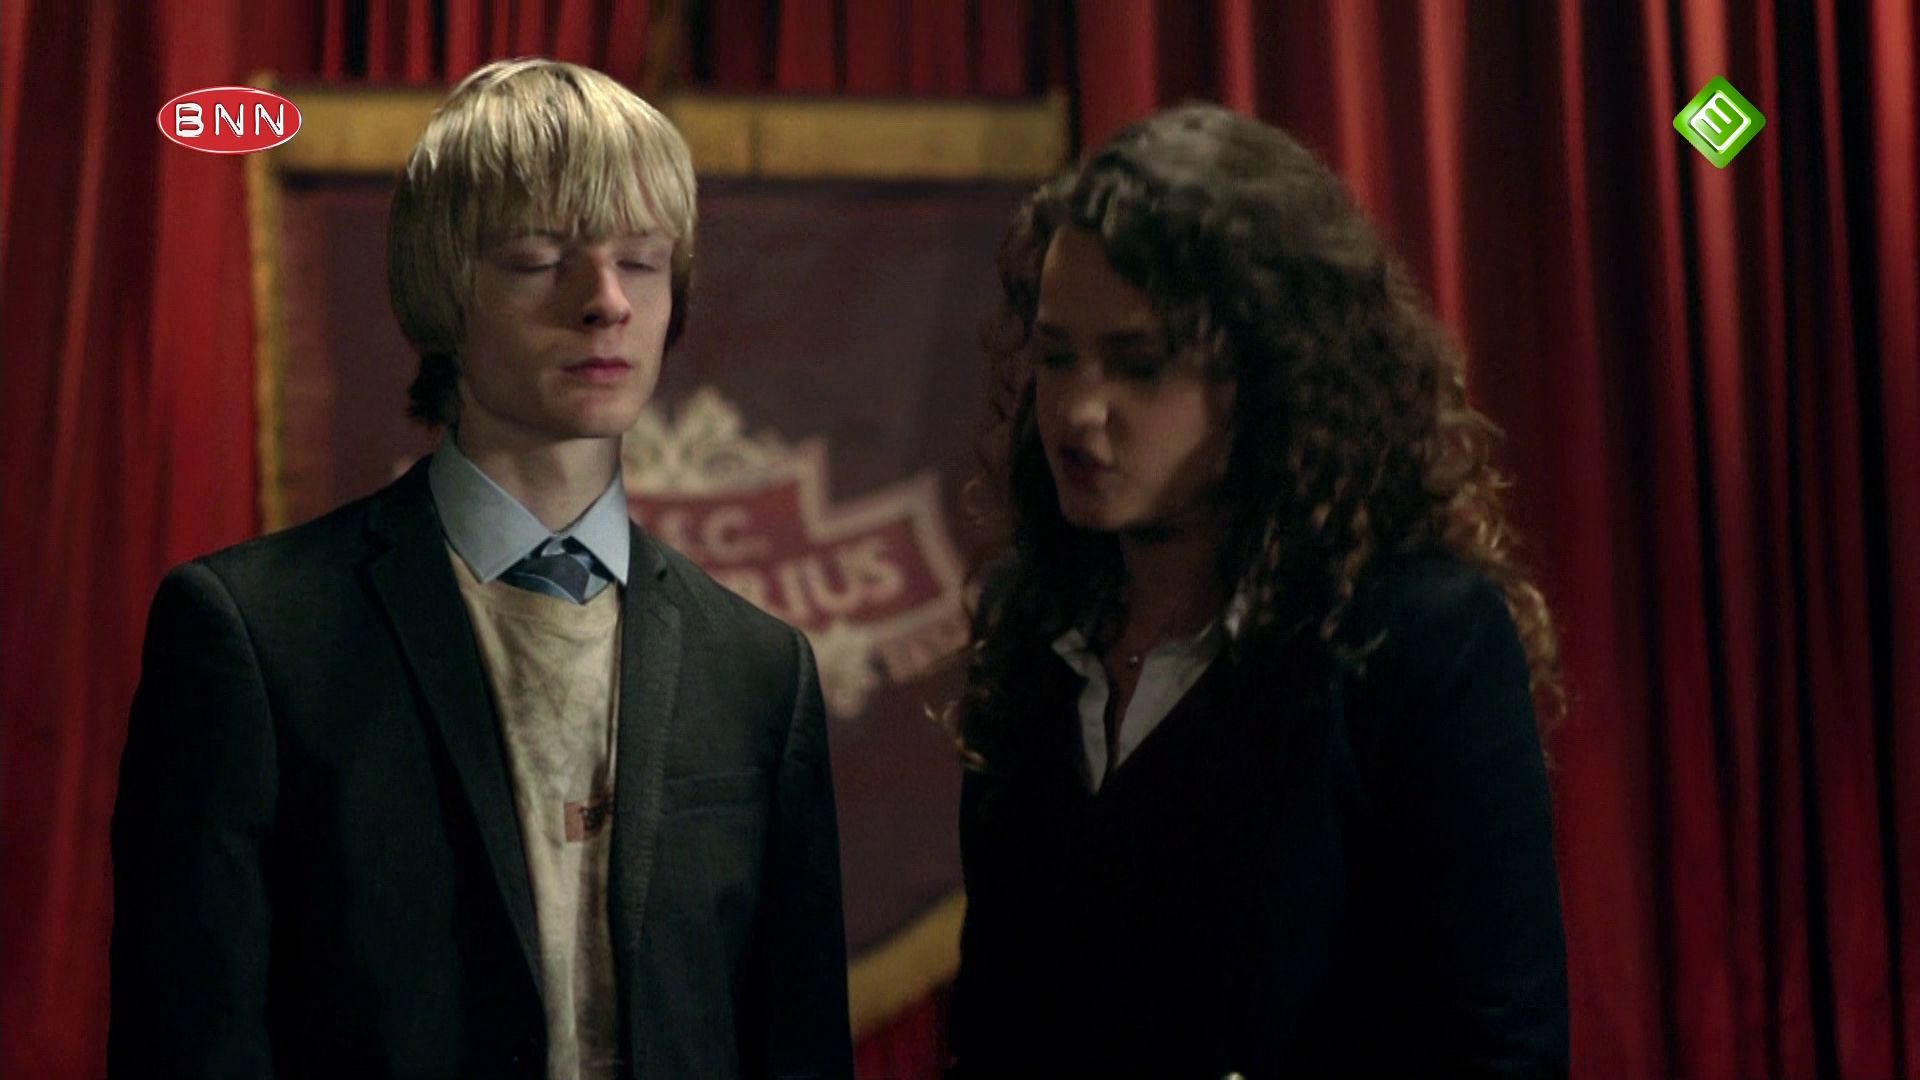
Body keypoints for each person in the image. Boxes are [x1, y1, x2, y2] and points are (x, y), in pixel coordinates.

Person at [110, 58, 852, 1080]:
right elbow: (193, 1040)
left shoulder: (759, 669)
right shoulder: (257, 637)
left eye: (641, 261)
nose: (605, 302)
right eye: (541, 258)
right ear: (443, 291)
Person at [947, 104, 1569, 1077]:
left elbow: (1500, 1052)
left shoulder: (1415, 638)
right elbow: (994, 1026)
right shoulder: (1034, 627)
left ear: (1269, 375)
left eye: (1139, 365)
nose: (1077, 411)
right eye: (1057, 355)